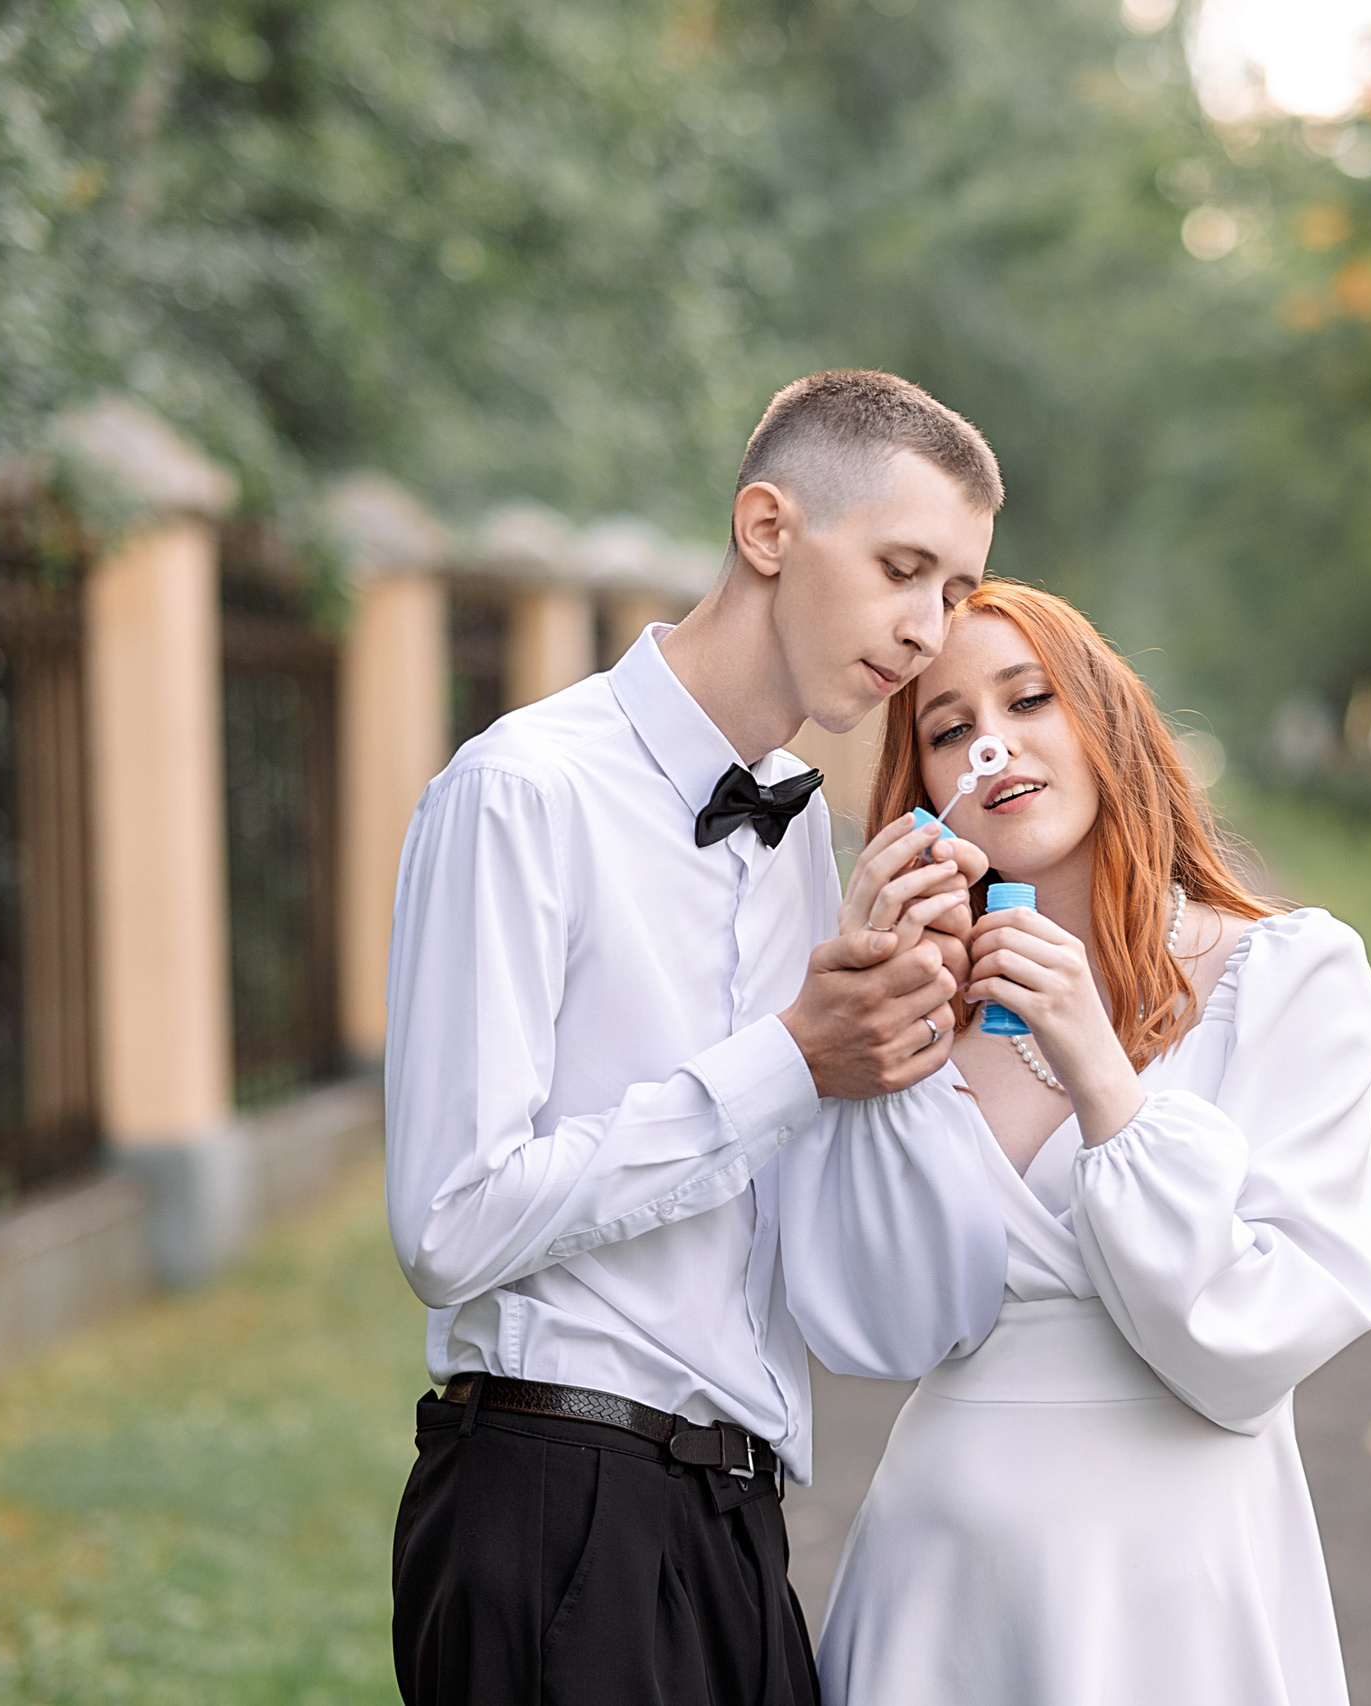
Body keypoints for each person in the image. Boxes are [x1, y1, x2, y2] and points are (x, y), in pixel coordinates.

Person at [384, 371, 1018, 1706]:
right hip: (560, 1507)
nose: (925, 631)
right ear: (769, 528)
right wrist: (792, 1058)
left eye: (955, 591)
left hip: (735, 1523)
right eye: (904, 569)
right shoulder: (522, 792)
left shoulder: (798, 842)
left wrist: (894, 1065)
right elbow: (448, 1221)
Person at [801, 580, 1371, 1706]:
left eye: (1031, 699)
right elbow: (874, 1326)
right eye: (949, 728)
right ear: (922, 789)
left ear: (1106, 721)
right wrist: (881, 1028)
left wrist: (1099, 1070)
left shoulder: (1288, 975)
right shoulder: (920, 1010)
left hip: (1179, 1590)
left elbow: (1256, 1341)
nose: (995, 745)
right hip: (942, 1590)